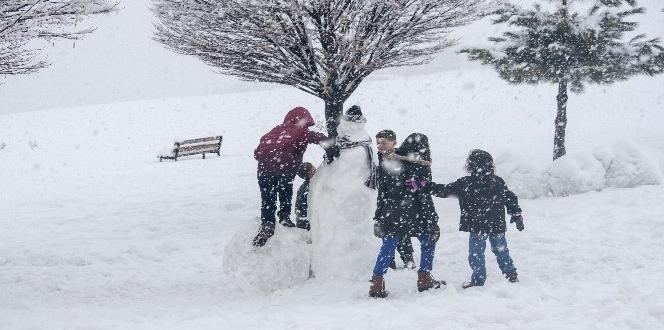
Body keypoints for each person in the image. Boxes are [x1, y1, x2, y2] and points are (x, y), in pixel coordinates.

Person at [428, 149, 524, 288]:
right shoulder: (498, 181)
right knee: (501, 250)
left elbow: (444, 190)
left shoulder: (466, 183)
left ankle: (478, 280)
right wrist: (516, 214)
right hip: (496, 225)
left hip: (478, 226)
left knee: (476, 255)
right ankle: (511, 274)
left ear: (470, 165)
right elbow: (509, 198)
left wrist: (426, 186)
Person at [369, 133, 445, 298]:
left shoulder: (391, 162)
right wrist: (433, 220)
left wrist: (378, 217)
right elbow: (424, 195)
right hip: (416, 212)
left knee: (388, 245)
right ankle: (424, 277)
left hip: (392, 212)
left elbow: (383, 193)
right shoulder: (421, 165)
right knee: (428, 241)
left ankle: (377, 282)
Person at [252, 106, 333, 247]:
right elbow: (318, 138)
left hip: (264, 170)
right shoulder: (300, 131)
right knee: (285, 192)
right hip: (284, 168)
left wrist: (269, 158)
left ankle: (267, 224)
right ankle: (284, 217)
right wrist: (332, 148)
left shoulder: (273, 131)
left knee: (267, 199)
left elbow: (257, 153)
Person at [370, 130, 416, 270]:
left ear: (394, 143)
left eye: (384, 143)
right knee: (385, 231)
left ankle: (408, 258)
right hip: (385, 201)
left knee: (402, 232)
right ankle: (389, 261)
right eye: (378, 142)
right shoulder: (379, 159)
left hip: (402, 202)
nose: (380, 145)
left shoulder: (401, 159)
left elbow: (409, 179)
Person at [294, 162, 316, 231]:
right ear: (308, 174)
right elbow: (302, 209)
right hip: (306, 226)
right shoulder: (309, 187)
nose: (315, 170)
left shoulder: (306, 185)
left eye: (313, 167)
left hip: (304, 224)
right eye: (312, 169)